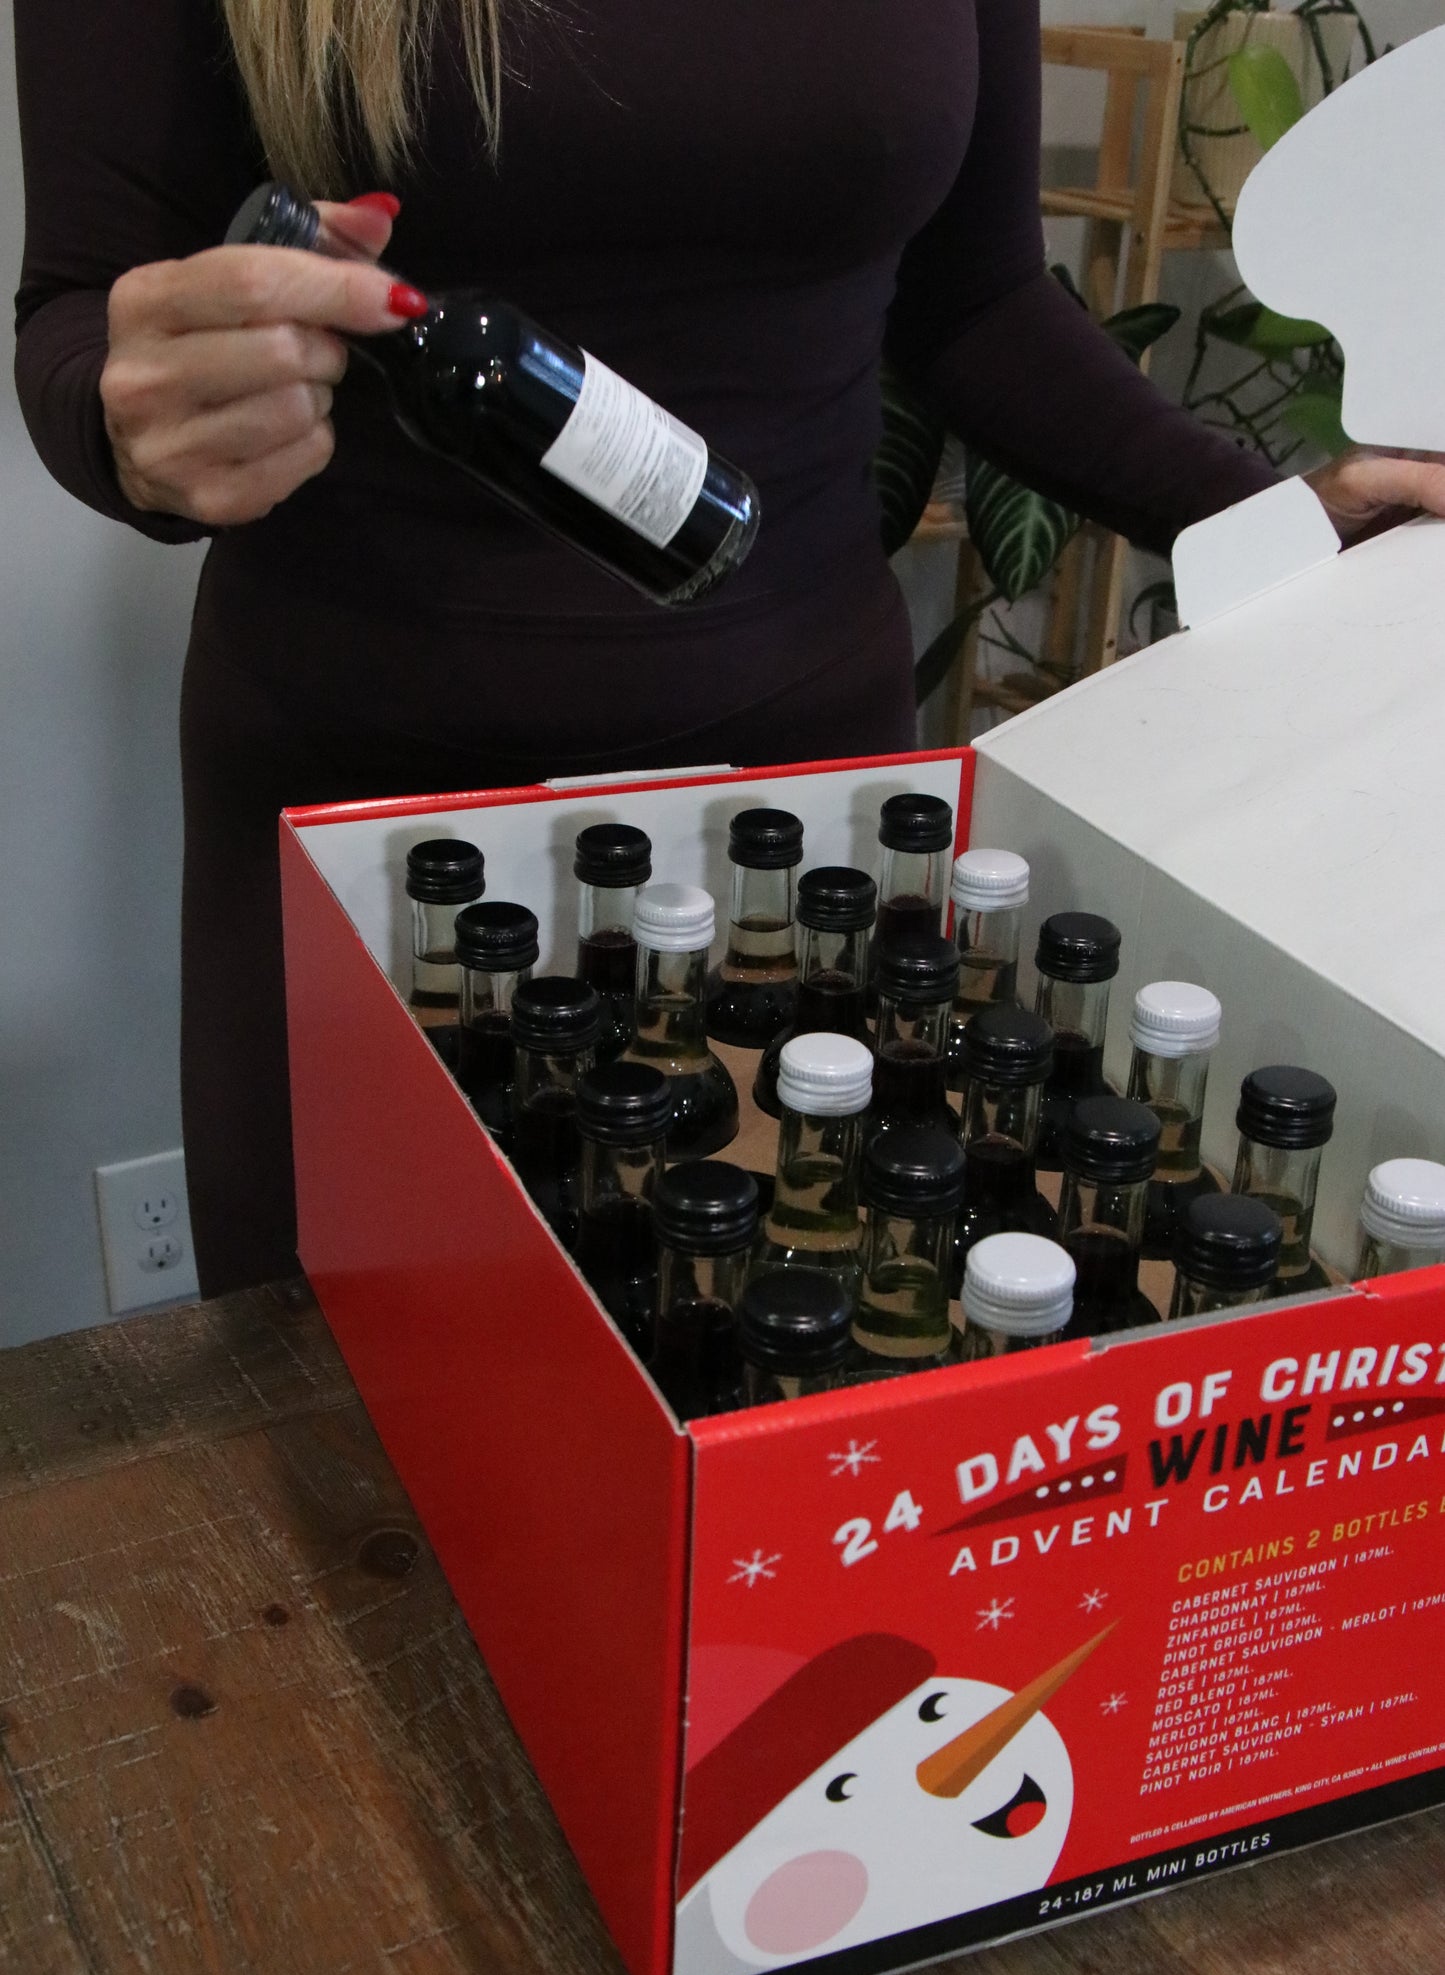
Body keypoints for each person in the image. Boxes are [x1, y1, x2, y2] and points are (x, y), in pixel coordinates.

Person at [12, 0, 1443, 1297]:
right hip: (368, 845)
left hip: (803, 836)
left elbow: (977, 300)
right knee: (336, 1442)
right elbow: (84, 310)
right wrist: (143, 421)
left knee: (801, 1357)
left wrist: (1269, 510)